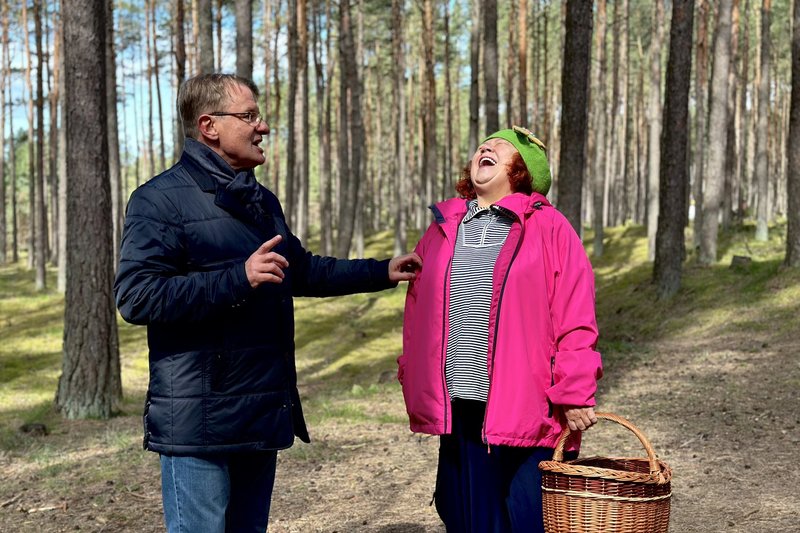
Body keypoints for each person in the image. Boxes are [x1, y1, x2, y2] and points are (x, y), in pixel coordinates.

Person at [114, 73, 422, 533]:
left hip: (258, 413)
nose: (263, 127)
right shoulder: (158, 200)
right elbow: (136, 296)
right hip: (198, 424)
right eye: (250, 116)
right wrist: (238, 278)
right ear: (209, 126)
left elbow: (301, 269)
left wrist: (381, 270)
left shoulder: (260, 201)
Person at [397, 126, 603, 532]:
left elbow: (576, 315)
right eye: (481, 146)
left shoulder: (550, 228)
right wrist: (413, 373)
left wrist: (576, 390)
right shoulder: (443, 229)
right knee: (464, 517)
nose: (485, 148)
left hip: (526, 409)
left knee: (527, 519)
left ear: (523, 170)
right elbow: (418, 312)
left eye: (501, 147)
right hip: (459, 406)